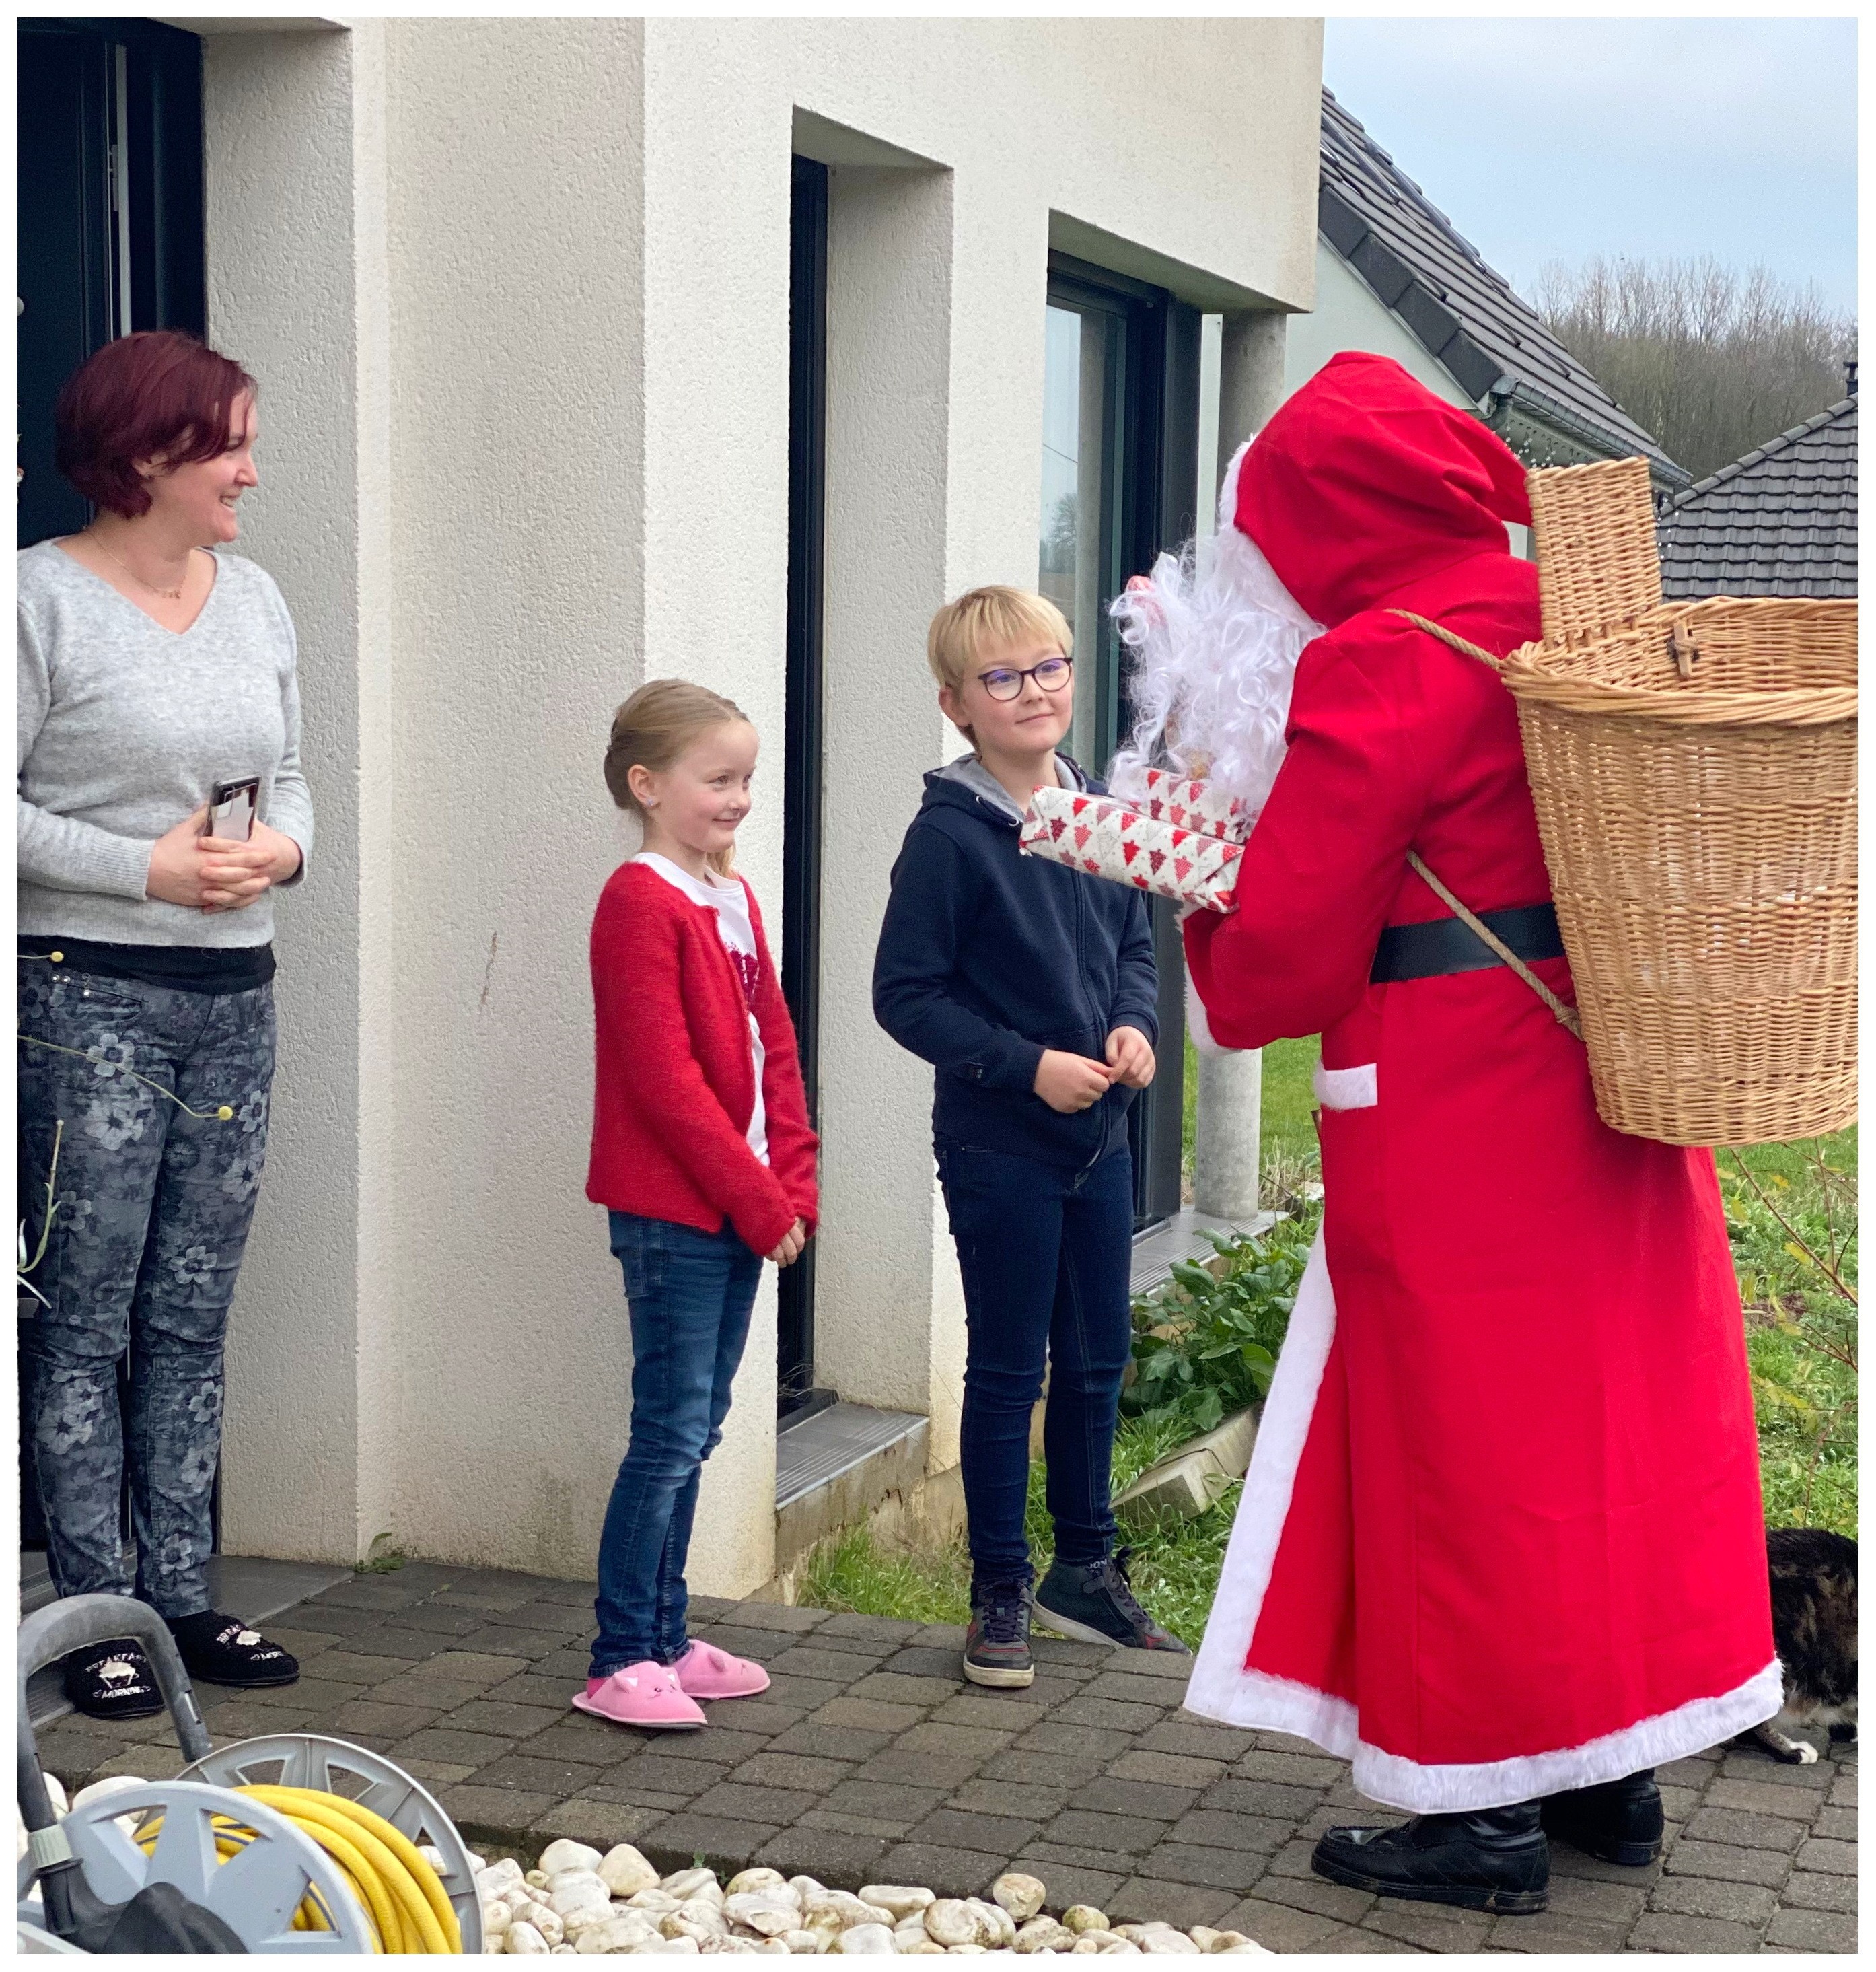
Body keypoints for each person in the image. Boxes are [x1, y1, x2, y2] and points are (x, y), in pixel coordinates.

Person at [1137, 352, 1776, 1913]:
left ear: (1320, 520)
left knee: (1465, 1458)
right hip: (1611, 1078)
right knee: (1610, 1432)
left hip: (1457, 1111)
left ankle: (1473, 1811)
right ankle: (1606, 1772)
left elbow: (1282, 954)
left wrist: (1193, 895)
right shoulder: (1565, 608)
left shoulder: (1381, 654)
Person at [17, 330, 314, 1719]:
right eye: (231, 444)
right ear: (147, 456)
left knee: (194, 1317)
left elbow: (295, 777)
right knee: (83, 1318)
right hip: (84, 997)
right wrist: (147, 867)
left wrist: (283, 858)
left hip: (234, 1000)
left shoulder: (251, 596)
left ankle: (183, 1598)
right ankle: (94, 1616)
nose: (251, 469)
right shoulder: (38, 604)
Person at [873, 586, 1186, 1690]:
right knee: (1009, 1367)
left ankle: (1087, 1568)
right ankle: (999, 1584)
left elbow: (1135, 945)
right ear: (959, 705)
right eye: (1003, 678)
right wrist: (1026, 1066)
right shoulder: (949, 837)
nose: (1034, 691)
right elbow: (904, 996)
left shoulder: (1100, 809)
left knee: (1097, 1357)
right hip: (1002, 1143)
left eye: (1049, 666)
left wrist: (1134, 1028)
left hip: (1104, 1137)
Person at [581, 678, 819, 1730]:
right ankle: (620, 1652)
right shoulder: (640, 900)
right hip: (680, 1212)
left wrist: (794, 1181)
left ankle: (669, 1637)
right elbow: (665, 1081)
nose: (739, 798)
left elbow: (779, 1048)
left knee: (702, 1424)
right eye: (717, 778)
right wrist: (757, 1201)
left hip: (742, 1204)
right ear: (648, 784)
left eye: (747, 779)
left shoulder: (733, 898)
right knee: (668, 1431)